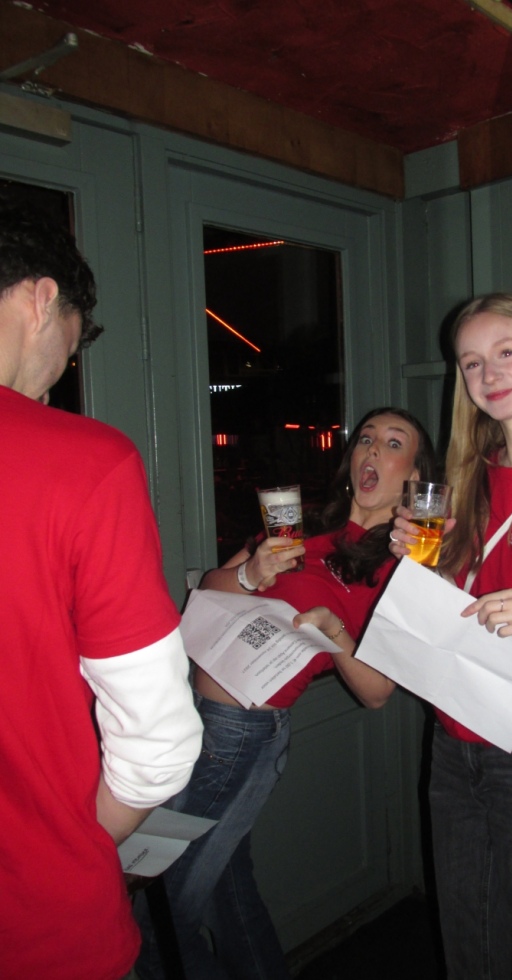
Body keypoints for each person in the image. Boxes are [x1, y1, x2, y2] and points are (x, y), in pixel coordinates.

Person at [135, 407, 436, 980]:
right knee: (230, 897)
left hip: (241, 737)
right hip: (190, 714)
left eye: (393, 443)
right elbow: (211, 590)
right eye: (366, 438)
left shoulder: (404, 568)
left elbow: (377, 692)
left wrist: (333, 631)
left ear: (415, 477)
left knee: (158, 919)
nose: (373, 449)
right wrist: (252, 573)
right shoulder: (301, 526)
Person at [0, 198, 203, 980]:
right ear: (42, 301)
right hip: (38, 925)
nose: (60, 371)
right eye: (71, 342)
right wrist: (83, 837)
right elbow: (159, 746)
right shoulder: (86, 462)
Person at [391, 293, 512, 979]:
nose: (488, 373)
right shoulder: (466, 478)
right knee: (466, 926)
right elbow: (456, 602)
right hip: (454, 725)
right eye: (471, 362)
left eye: (505, 353)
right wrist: (416, 563)